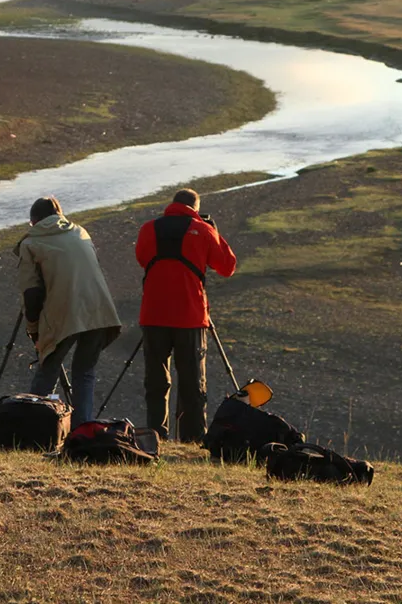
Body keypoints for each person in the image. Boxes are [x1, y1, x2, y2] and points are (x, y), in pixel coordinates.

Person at [136, 188, 237, 442]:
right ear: (195, 207)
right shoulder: (202, 230)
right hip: (189, 316)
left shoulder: (149, 228)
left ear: (172, 205)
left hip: (153, 314)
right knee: (192, 383)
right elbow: (227, 266)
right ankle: (192, 439)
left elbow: (142, 258)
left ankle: (155, 436)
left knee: (156, 381)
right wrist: (213, 230)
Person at [16, 196, 122, 426]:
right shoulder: (81, 232)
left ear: (33, 221)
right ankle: (81, 430)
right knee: (84, 372)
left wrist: (34, 331)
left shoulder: (30, 243)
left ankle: (35, 428)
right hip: (100, 310)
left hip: (64, 312)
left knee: (48, 368)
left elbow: (31, 294)